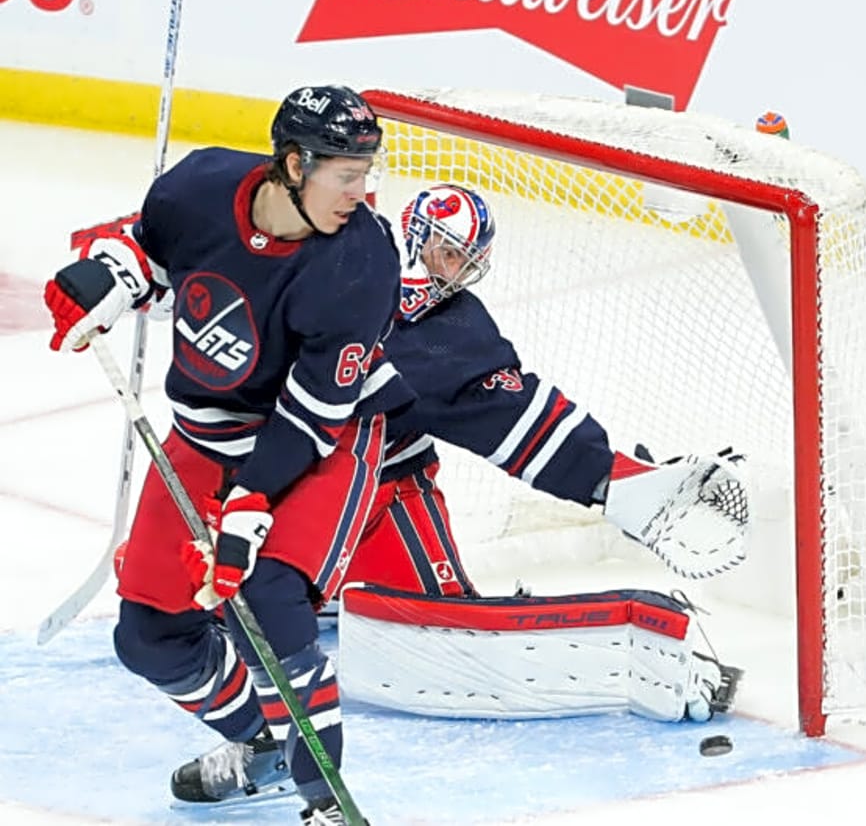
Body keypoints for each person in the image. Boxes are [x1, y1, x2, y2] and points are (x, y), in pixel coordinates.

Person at [163, 182, 748, 806]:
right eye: (447, 253)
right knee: (183, 599)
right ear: (415, 238)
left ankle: (650, 653)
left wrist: (614, 478)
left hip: (385, 493)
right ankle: (264, 733)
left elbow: (514, 413)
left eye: (467, 261)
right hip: (283, 487)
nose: (454, 271)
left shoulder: (450, 330)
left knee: (446, 636)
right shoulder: (334, 262)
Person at [44, 85, 410, 826]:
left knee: (268, 596)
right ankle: (266, 742)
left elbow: (312, 414)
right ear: (294, 164)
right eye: (346, 174)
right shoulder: (200, 186)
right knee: (149, 639)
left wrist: (249, 504)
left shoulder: (362, 257)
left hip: (322, 443)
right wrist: (107, 281)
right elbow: (148, 250)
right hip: (205, 436)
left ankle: (322, 801)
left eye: (365, 173)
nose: (360, 192)